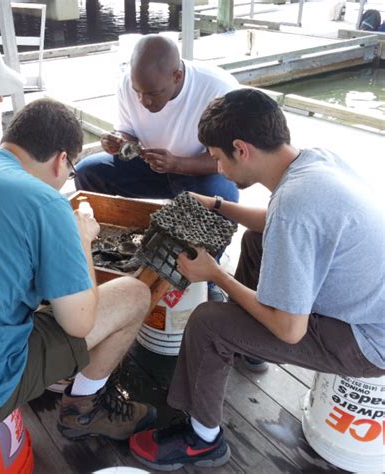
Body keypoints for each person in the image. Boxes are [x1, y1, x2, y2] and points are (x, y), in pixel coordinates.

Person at [129, 89, 385, 470]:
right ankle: (247, 345)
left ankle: (202, 439)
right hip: (367, 303)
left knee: (208, 323)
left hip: (367, 340)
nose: (218, 169)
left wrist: (214, 273)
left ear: (241, 148)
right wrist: (217, 205)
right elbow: (277, 225)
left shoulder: (295, 206)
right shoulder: (314, 162)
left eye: (217, 159)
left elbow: (289, 329)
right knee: (254, 239)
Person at [0, 98, 156, 441]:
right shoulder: (45, 202)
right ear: (61, 161)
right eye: (71, 171)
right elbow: (80, 322)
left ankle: (55, 376)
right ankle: (84, 408)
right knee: (134, 293)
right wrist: (81, 238)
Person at [75, 34, 239, 204]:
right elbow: (127, 132)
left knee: (221, 209)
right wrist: (119, 142)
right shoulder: (127, 82)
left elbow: (229, 158)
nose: (143, 101)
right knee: (87, 172)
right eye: (137, 91)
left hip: (201, 173)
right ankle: (97, 225)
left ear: (177, 76)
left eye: (153, 93)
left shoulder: (220, 89)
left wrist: (177, 164)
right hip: (152, 166)